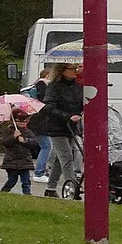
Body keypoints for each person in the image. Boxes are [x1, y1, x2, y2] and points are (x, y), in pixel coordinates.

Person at [38, 63, 84, 197]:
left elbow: (81, 103)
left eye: (76, 68)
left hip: (71, 127)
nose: (75, 71)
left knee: (60, 158)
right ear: (62, 71)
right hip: (57, 127)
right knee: (67, 157)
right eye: (71, 69)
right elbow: (48, 107)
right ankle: (72, 186)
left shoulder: (77, 87)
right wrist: (67, 116)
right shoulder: (53, 86)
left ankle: (50, 188)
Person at [0, 112, 38, 194]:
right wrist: (13, 137)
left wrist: (25, 140)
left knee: (26, 181)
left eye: (24, 122)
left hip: (25, 161)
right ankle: (3, 192)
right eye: (19, 122)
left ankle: (27, 195)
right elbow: (4, 142)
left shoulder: (28, 132)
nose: (22, 123)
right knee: (12, 180)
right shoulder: (9, 131)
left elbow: (35, 143)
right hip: (11, 161)